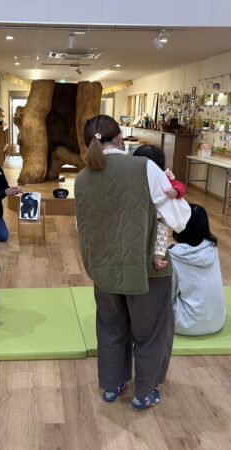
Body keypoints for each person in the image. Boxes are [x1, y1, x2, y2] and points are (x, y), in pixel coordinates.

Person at [74, 115, 189, 411]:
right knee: (150, 333)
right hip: (147, 269)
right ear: (119, 137)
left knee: (110, 328)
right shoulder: (144, 167)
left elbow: (83, 227)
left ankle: (111, 385)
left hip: (104, 268)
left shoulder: (82, 178)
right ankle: (144, 393)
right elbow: (178, 218)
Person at [169, 204, 227, 336]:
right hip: (217, 321)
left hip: (185, 324)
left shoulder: (174, 257)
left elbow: (167, 295)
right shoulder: (212, 248)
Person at [133, 144, 188, 270]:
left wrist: (176, 190)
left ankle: (157, 258)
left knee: (161, 232)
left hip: (156, 218)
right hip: (139, 214)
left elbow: (180, 186)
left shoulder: (164, 176)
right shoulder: (133, 177)